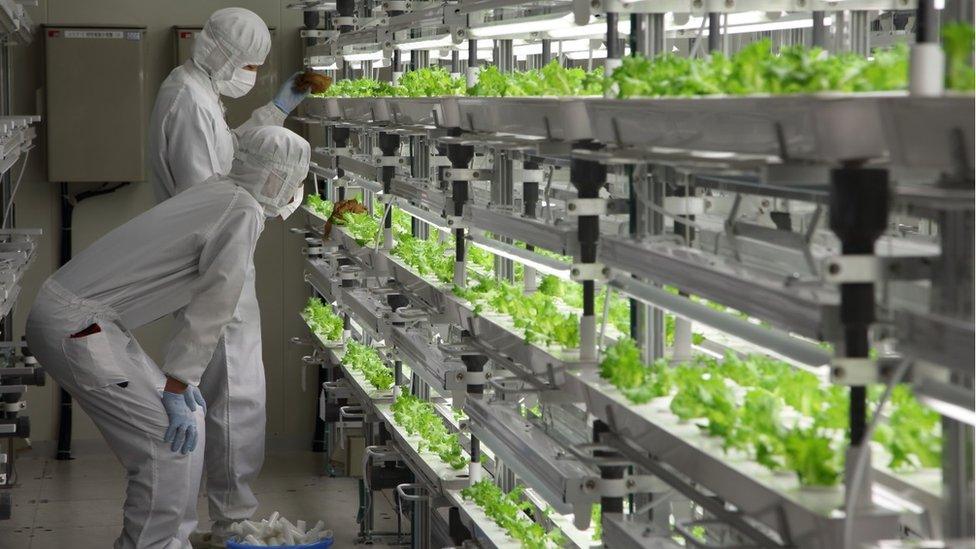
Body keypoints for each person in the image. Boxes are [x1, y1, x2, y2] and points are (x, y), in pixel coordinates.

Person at [26, 126, 311, 549]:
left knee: (187, 427)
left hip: (88, 321)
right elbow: (216, 301)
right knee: (165, 444)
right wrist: (179, 380)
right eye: (297, 183)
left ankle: (169, 542)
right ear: (278, 179)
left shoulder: (222, 190)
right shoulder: (244, 210)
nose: (295, 194)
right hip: (77, 326)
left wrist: (181, 381)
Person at [147, 8, 310, 544]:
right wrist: (273, 199)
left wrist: (276, 109)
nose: (249, 75)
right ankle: (231, 520)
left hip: (216, 262)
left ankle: (224, 514)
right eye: (247, 66)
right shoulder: (188, 102)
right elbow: (211, 201)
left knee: (230, 396)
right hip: (213, 268)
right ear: (220, 54)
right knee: (236, 398)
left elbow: (227, 156)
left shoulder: (194, 91)